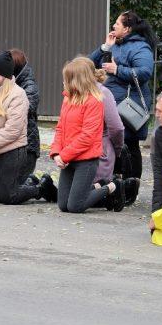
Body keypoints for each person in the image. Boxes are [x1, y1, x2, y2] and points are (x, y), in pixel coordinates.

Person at [0, 51, 57, 205]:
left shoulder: (18, 95)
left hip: (10, 150)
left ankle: (41, 189)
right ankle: (27, 184)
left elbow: (13, 129)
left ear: (3, 74)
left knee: (8, 196)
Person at [51, 58, 125, 213]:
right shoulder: (68, 98)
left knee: (75, 206)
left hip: (86, 159)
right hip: (69, 158)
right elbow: (60, 129)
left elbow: (87, 136)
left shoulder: (94, 101)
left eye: (67, 79)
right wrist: (56, 153)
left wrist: (64, 156)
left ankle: (111, 187)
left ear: (77, 81)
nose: (64, 82)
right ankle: (98, 186)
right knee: (63, 205)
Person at [89, 11, 156, 179]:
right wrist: (105, 47)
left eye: (117, 24)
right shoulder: (115, 45)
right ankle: (114, 182)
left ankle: (131, 184)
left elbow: (145, 72)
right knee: (112, 143)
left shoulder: (140, 47)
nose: (113, 26)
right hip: (111, 102)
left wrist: (117, 70)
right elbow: (89, 66)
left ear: (127, 29)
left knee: (129, 144)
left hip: (127, 105)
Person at [75, 57, 137, 212]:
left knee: (81, 199)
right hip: (78, 151)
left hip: (99, 151)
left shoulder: (103, 93)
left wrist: (115, 150)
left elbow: (116, 127)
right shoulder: (76, 93)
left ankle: (118, 187)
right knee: (70, 197)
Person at [10, 48, 41, 183]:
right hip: (14, 143)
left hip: (28, 145)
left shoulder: (30, 86)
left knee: (16, 185)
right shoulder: (10, 83)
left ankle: (39, 189)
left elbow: (24, 111)